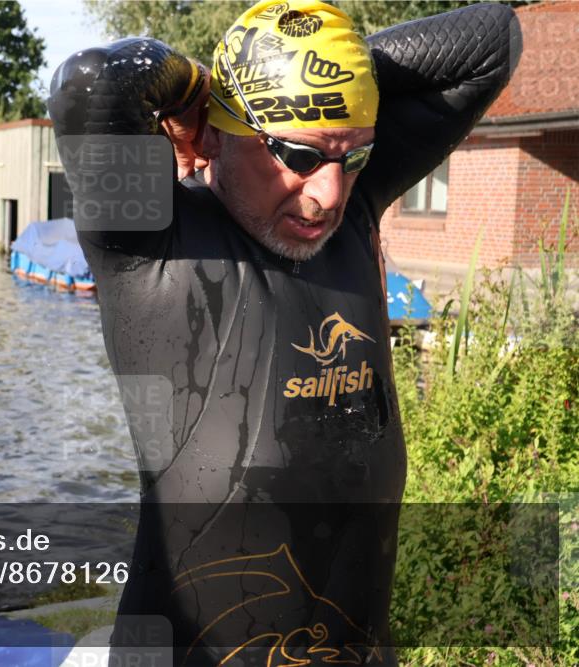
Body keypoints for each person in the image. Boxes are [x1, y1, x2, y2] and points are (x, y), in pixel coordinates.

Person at [48, 1, 520, 664]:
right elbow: (96, 80)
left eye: (355, 156)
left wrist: (329, 86)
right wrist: (194, 91)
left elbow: (492, 40)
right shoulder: (151, 242)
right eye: (298, 154)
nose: (328, 191)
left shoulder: (352, 206)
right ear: (217, 132)